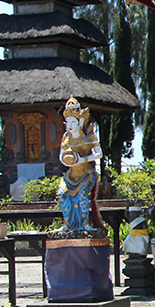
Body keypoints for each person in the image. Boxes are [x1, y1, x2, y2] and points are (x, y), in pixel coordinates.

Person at [57, 96, 103, 232]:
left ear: (80, 121)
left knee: (82, 195)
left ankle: (85, 223)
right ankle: (67, 224)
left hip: (86, 174)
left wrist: (82, 160)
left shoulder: (90, 136)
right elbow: (61, 156)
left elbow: (99, 154)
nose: (70, 125)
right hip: (71, 174)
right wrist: (67, 160)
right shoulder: (66, 137)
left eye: (73, 121)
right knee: (62, 194)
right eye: (68, 122)